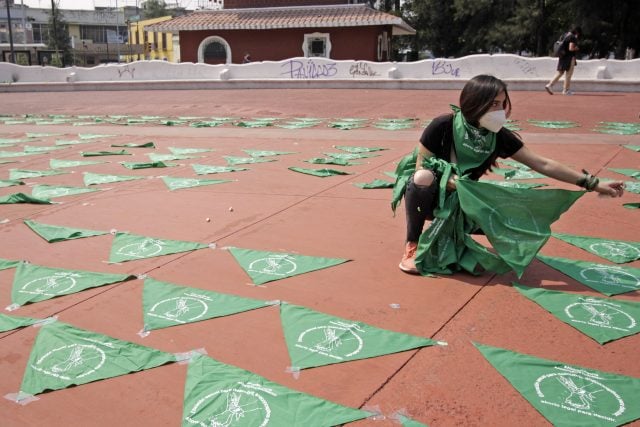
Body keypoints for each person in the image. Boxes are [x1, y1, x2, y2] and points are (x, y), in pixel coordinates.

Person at [399, 74, 625, 274]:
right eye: (494, 104)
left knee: (514, 215)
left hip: (468, 202)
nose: (500, 111)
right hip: (431, 198)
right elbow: (422, 166)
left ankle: (459, 231)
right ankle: (412, 245)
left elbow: (542, 163)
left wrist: (593, 183)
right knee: (422, 179)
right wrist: (449, 181)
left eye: (503, 103)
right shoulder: (443, 125)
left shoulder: (499, 136)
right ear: (474, 103)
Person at [545, 27, 581, 95]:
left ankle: (549, 85)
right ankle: (566, 90)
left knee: (560, 72)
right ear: (577, 32)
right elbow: (571, 48)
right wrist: (576, 48)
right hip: (569, 58)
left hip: (562, 56)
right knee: (568, 74)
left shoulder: (564, 35)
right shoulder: (572, 37)